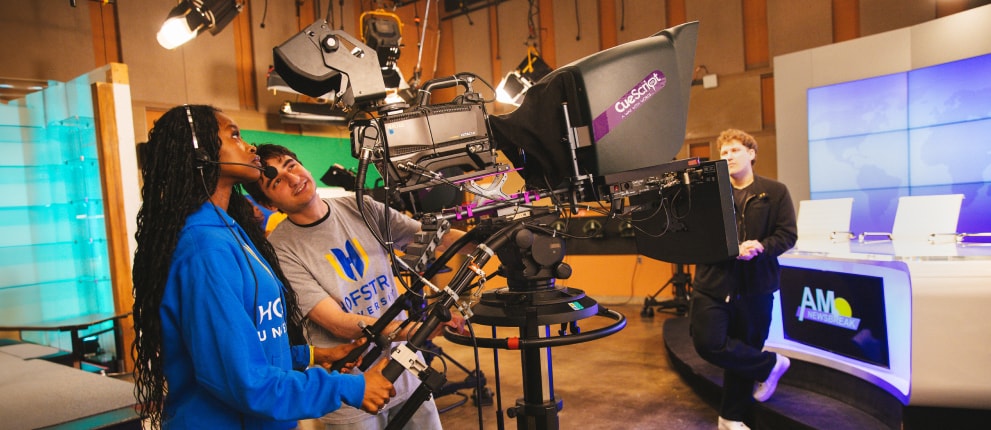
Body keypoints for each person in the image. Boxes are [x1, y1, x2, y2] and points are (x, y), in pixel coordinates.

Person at [131, 105, 396, 429]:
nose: (249, 146)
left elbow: (253, 342)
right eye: (234, 136)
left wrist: (312, 357)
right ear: (201, 153)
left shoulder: (228, 230)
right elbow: (242, 381)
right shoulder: (204, 251)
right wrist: (348, 386)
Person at [245, 144, 467, 430]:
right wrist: (417, 330)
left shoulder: (359, 206)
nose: (292, 178)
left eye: (291, 165)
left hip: (406, 365)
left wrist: (494, 240)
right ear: (271, 204)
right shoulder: (280, 249)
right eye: (276, 182)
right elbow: (338, 324)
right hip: (352, 385)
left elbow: (433, 238)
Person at [689, 129, 797, 430]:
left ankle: (730, 419)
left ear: (751, 153)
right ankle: (769, 364)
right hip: (712, 284)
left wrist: (761, 247)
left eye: (735, 150)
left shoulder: (775, 192)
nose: (729, 157)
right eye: (723, 153)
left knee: (745, 347)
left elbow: (787, 235)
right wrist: (728, 249)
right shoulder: (709, 196)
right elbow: (698, 238)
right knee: (708, 344)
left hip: (756, 286)